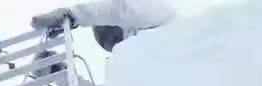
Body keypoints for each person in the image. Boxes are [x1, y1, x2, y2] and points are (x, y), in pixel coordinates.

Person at [31, 0, 175, 51]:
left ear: (120, 25)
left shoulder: (158, 15)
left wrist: (73, 15)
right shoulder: (129, 65)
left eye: (113, 38)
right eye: (108, 46)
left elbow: (119, 10)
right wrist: (56, 72)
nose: (115, 45)